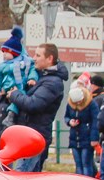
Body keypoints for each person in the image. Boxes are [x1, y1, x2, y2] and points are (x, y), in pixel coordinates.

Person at [7, 43, 68, 172]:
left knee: (20, 177)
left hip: (34, 139)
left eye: (38, 55)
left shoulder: (53, 82)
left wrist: (14, 94)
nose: (33, 58)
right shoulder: (41, 77)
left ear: (50, 59)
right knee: (28, 179)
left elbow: (33, 104)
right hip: (28, 136)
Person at [0, 27, 39, 128]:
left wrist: (32, 78)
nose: (4, 55)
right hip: (8, 87)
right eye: (3, 52)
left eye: (6, 52)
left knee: (17, 100)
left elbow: (32, 70)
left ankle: (11, 117)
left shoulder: (26, 62)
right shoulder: (2, 66)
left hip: (21, 86)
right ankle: (10, 117)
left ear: (14, 53)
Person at [64, 83, 99, 177]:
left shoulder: (91, 104)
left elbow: (95, 121)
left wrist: (94, 138)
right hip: (74, 137)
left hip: (87, 137)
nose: (78, 104)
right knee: (78, 164)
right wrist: (69, 121)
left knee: (86, 163)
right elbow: (66, 116)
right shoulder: (70, 105)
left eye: (79, 101)